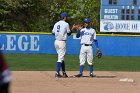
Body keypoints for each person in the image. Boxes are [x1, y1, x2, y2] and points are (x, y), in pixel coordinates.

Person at [52, 12, 76, 78]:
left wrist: (58, 34)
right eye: (66, 17)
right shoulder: (66, 24)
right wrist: (73, 28)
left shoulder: (56, 23)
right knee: (60, 58)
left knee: (61, 58)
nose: (67, 18)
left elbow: (53, 33)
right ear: (64, 17)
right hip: (62, 42)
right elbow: (69, 33)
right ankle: (57, 73)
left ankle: (64, 73)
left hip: (56, 42)